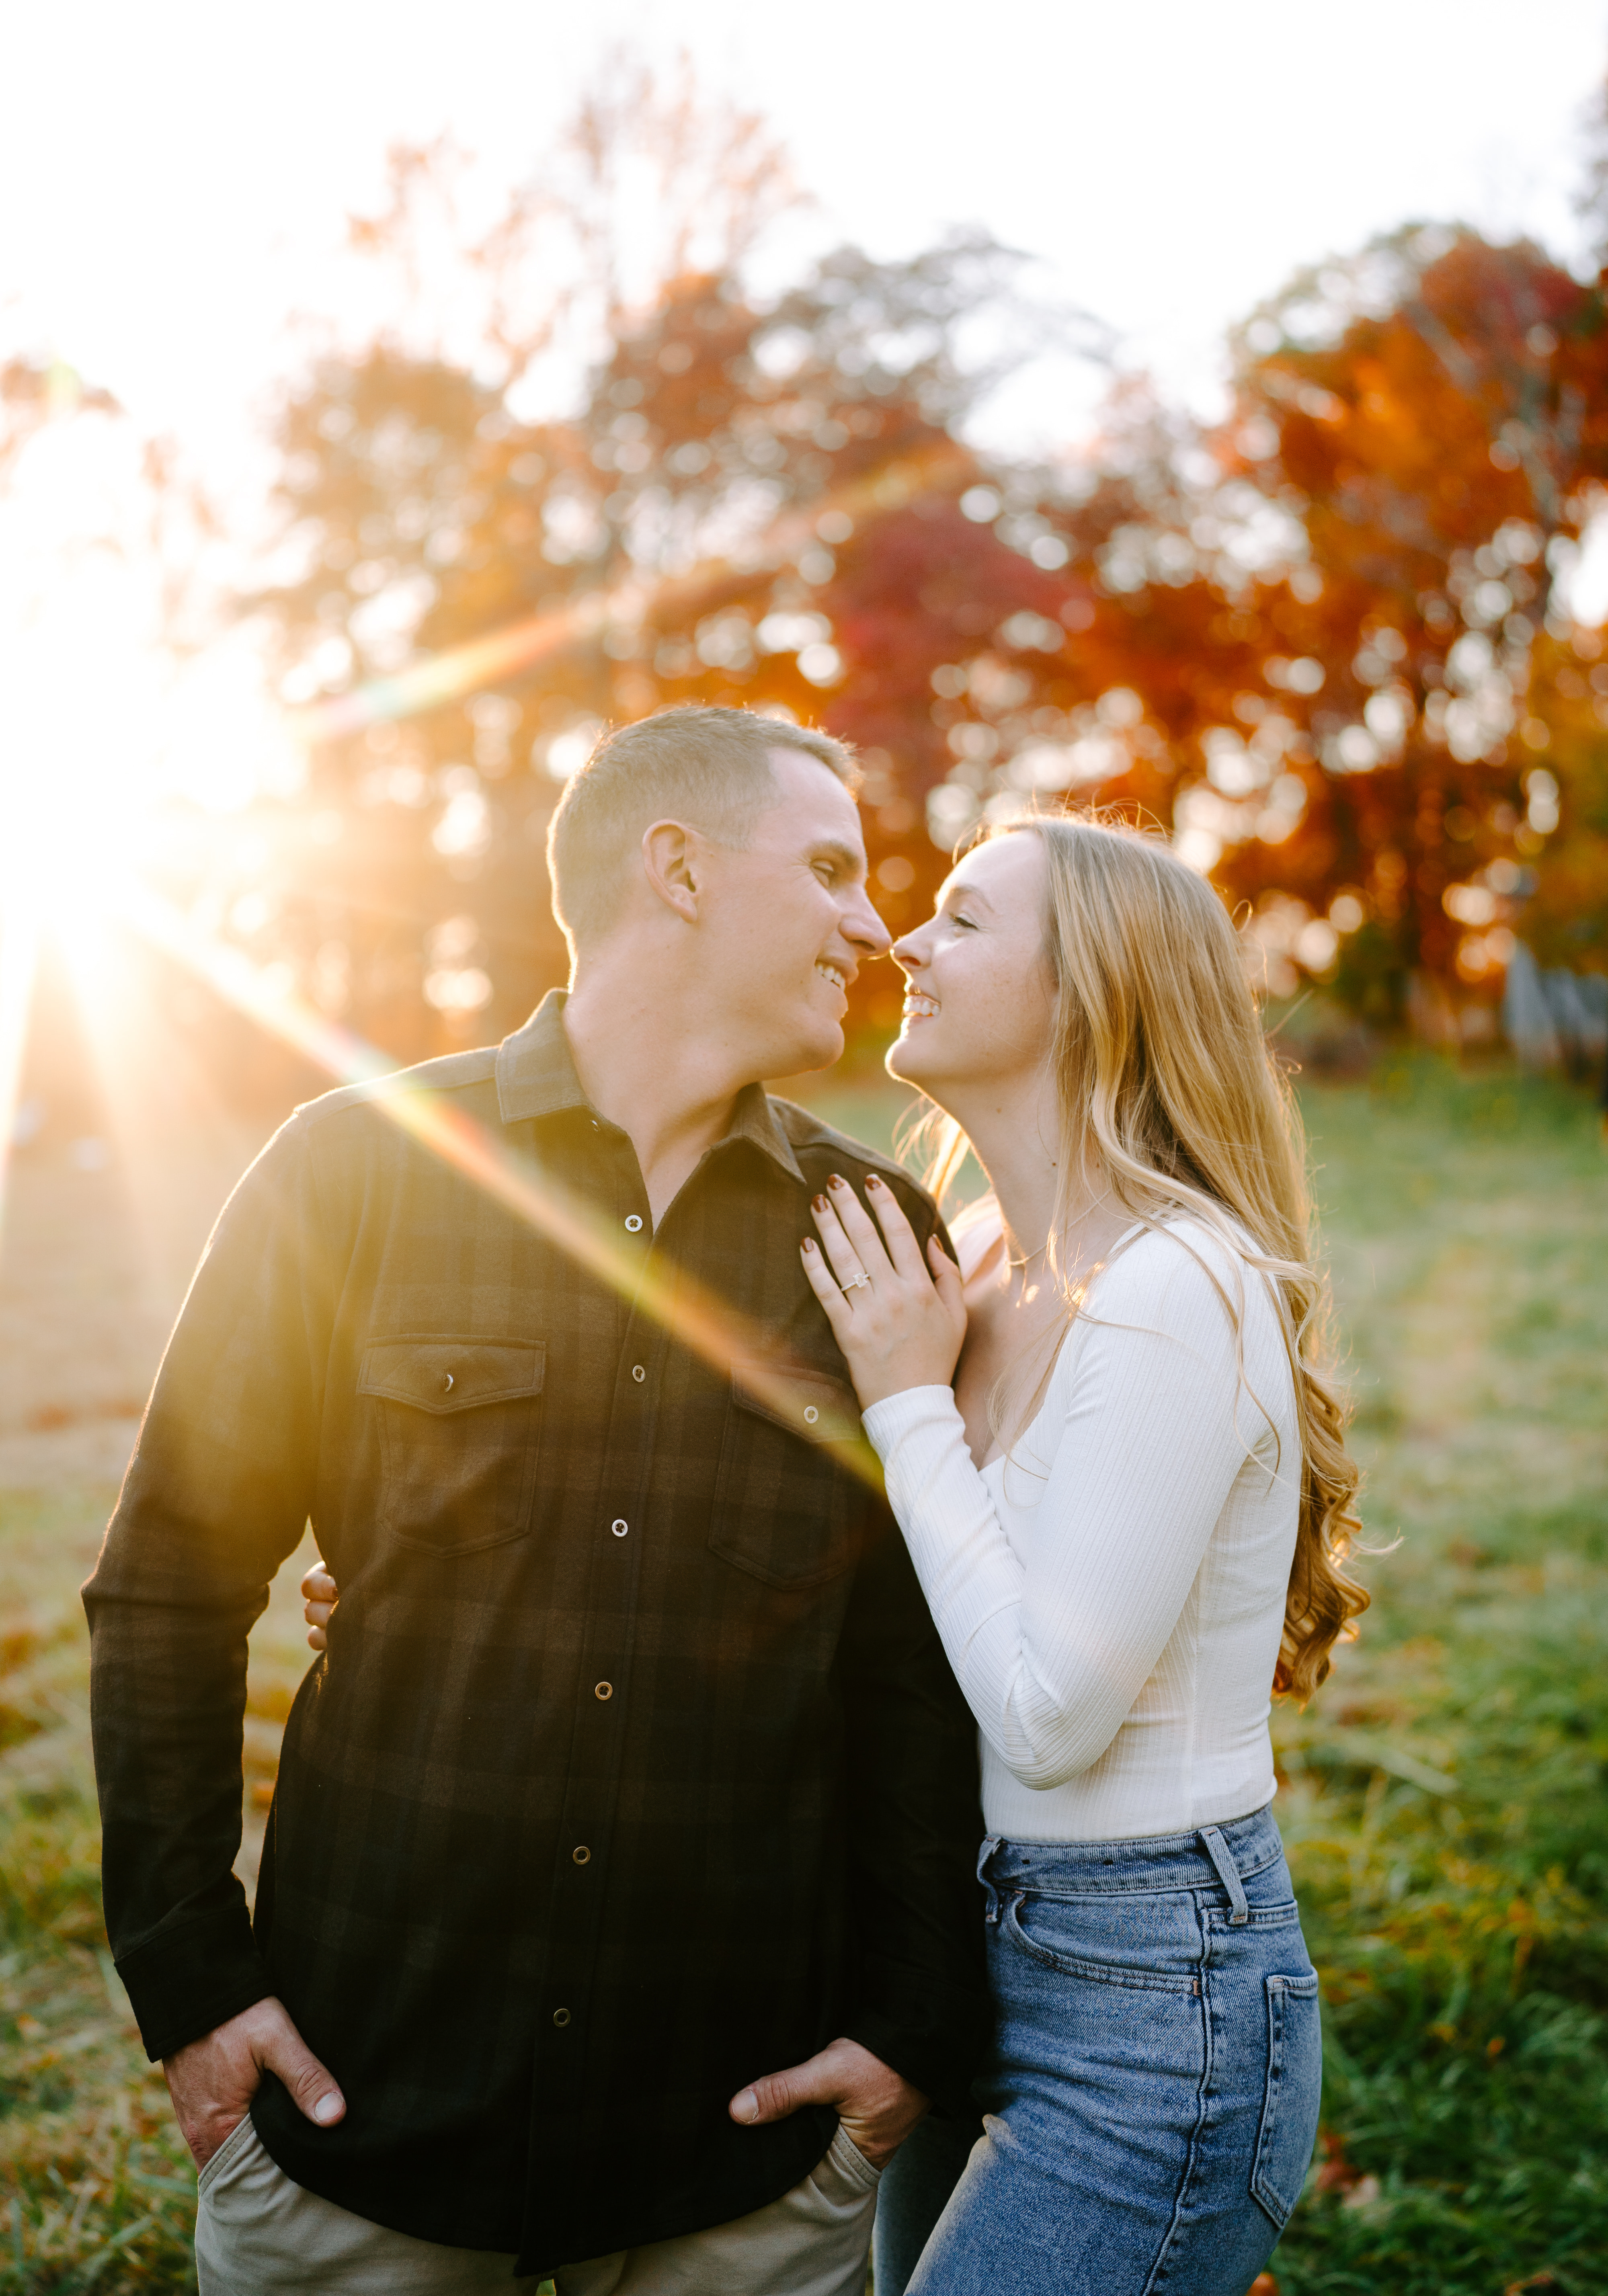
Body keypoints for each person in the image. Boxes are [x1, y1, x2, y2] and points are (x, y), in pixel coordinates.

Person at [83, 705, 989, 2296]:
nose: (872, 922)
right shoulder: (348, 1170)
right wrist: (191, 1991)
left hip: (744, 2163)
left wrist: (901, 2031)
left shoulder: (870, 1229)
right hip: (358, 2132)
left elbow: (912, 1663)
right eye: (833, 868)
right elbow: (167, 1589)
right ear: (679, 871)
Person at [734, 814, 1366, 2293]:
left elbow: (1045, 1713)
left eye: (963, 920)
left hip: (1154, 2001)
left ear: (1086, 990)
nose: (908, 942)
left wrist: (904, 1398)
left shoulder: (1173, 1289)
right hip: (970, 1944)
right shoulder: (975, 1264)